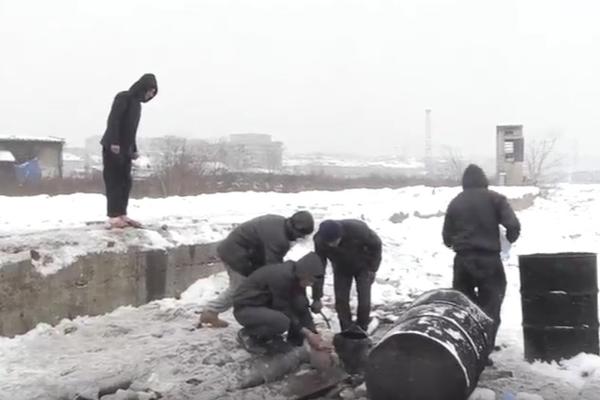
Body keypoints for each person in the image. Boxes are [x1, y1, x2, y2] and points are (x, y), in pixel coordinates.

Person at [442, 164, 521, 360]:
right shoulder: (495, 198)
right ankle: (484, 351)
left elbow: (446, 237)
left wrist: (458, 242)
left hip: (463, 261)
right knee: (491, 306)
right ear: (483, 180)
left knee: (464, 307)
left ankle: (468, 349)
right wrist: (509, 239)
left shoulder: (456, 202)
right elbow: (513, 225)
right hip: (489, 260)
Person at [200, 211, 315, 328]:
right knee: (240, 288)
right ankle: (211, 311)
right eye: (300, 234)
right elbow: (273, 268)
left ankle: (213, 311)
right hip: (235, 254)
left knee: (250, 286)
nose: (299, 238)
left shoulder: (280, 223)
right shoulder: (278, 238)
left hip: (244, 253)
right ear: (293, 227)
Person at [233, 252, 330, 354]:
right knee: (281, 322)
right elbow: (284, 309)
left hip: (264, 305)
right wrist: (308, 334)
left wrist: (313, 333)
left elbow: (302, 306)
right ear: (304, 273)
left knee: (299, 303)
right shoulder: (282, 277)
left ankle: (280, 339)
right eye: (310, 281)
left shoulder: (297, 277)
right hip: (246, 308)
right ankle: (249, 334)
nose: (311, 284)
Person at [100, 73, 158, 229]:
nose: (151, 95)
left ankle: (121, 213)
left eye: (153, 93)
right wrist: (114, 142)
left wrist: (134, 149)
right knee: (114, 181)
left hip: (126, 149)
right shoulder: (123, 97)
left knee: (125, 182)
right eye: (150, 91)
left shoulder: (137, 105)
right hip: (113, 147)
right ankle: (113, 216)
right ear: (143, 87)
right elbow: (114, 120)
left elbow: (131, 130)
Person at [313, 219, 382, 332]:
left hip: (363, 265)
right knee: (341, 300)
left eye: (335, 241)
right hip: (340, 268)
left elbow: (376, 245)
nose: (332, 245)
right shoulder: (319, 240)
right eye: (329, 243)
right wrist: (316, 297)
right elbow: (319, 267)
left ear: (341, 235)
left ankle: (362, 327)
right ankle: (346, 328)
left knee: (364, 297)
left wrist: (373, 268)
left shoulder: (358, 229)